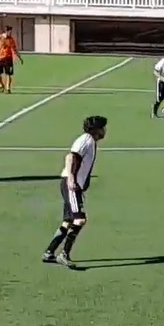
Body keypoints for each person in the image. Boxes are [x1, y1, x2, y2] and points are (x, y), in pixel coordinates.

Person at [43, 115, 108, 268]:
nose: (105, 130)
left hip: (72, 184)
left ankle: (49, 252)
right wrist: (72, 179)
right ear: (96, 130)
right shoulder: (86, 140)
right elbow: (70, 157)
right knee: (80, 220)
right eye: (103, 128)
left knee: (68, 221)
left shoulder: (90, 141)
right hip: (71, 184)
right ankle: (64, 254)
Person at [0, 26, 22, 94]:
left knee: (8, 74)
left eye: (11, 32)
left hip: (8, 58)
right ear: (6, 31)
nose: (10, 33)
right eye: (9, 32)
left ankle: (8, 88)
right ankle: (1, 85)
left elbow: (14, 49)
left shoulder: (11, 39)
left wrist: (19, 57)